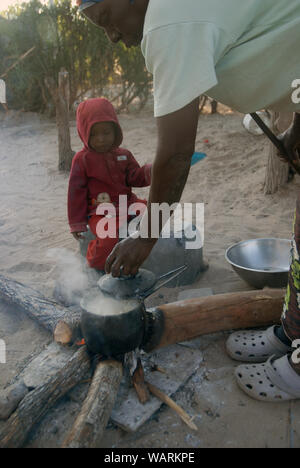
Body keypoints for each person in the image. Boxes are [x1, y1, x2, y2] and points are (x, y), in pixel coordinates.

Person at [78, 0, 300, 402]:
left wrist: (144, 239)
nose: (111, 36)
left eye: (107, 20)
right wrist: (295, 129)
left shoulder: (168, 20)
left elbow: (178, 152)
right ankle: (293, 332)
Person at [68, 97, 151, 271]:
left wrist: (150, 171)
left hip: (128, 204)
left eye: (106, 133)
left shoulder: (124, 155)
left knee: (155, 212)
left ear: (115, 130)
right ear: (84, 133)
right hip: (101, 212)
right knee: (109, 238)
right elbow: (75, 193)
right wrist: (76, 223)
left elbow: (135, 178)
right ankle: (93, 262)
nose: (101, 139)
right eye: (93, 134)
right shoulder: (82, 160)